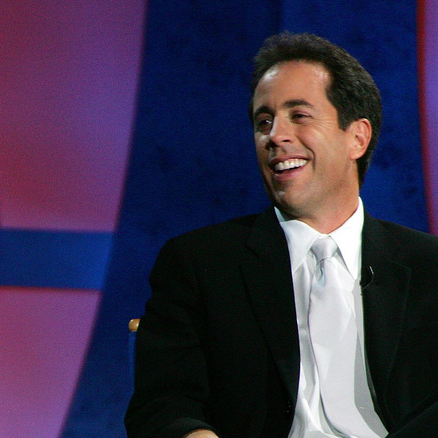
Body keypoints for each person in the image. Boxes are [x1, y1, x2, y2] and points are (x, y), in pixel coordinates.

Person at [125, 32, 438, 437]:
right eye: (263, 121)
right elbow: (161, 405)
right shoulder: (200, 263)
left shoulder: (428, 266)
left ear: (357, 137)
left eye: (299, 115)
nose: (274, 136)